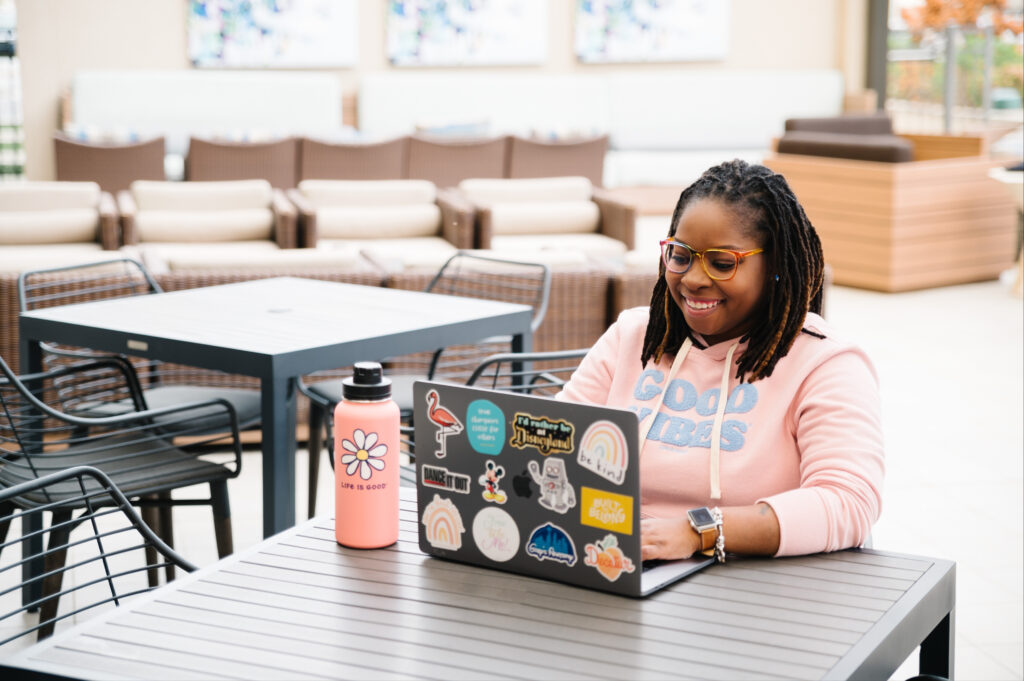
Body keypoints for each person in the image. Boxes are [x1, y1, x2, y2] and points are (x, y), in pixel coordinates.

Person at [557, 159, 884, 561]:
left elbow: (848, 501)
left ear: (776, 267)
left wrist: (698, 532)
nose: (693, 278)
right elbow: (555, 445)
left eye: (722, 262)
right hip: (614, 561)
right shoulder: (634, 337)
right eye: (681, 255)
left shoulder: (827, 364)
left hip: (753, 586)